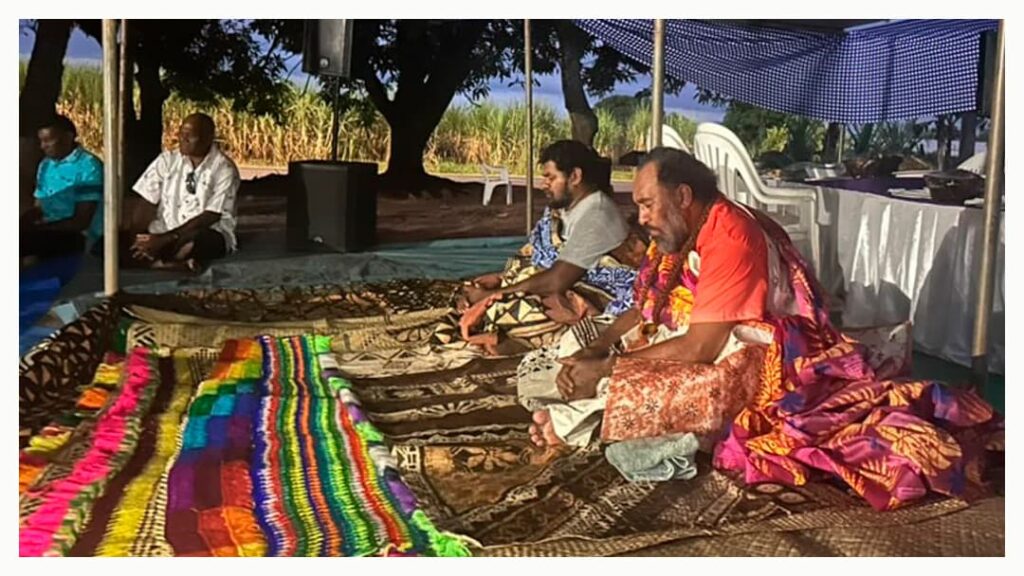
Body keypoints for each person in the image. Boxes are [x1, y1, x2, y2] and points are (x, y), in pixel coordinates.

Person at [519, 147, 1002, 511]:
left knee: (708, 383)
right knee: (576, 350)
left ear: (683, 197)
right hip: (703, 336)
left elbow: (702, 348)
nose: (640, 218)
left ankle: (585, 414)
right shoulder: (679, 232)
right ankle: (590, 409)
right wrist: (598, 348)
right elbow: (646, 310)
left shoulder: (730, 234)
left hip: (774, 356)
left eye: (647, 204)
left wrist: (608, 369)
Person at [433, 140, 644, 354]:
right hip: (560, 282)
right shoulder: (563, 210)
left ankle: (497, 335)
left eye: (551, 177)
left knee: (518, 309)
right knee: (474, 292)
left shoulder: (597, 214)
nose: (544, 184)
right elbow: (537, 259)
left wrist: (494, 295)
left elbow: (556, 280)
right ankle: (489, 327)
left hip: (586, 293)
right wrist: (500, 277)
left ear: (575, 177)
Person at [126, 113, 240, 271]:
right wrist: (137, 238)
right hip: (161, 230)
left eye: (190, 135)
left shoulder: (224, 168)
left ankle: (159, 260)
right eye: (181, 133)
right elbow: (146, 201)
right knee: (107, 245)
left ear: (208, 138)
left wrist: (167, 238)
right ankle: (169, 264)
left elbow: (211, 215)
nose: (182, 138)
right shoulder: (167, 160)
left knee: (197, 242)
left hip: (202, 233)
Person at [20, 115, 104, 262]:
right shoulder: (46, 165)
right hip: (49, 231)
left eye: (48, 141)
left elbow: (82, 221)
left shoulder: (88, 166)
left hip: (79, 236)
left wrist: (40, 230)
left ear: (68, 137)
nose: (43, 146)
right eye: (41, 141)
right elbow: (39, 206)